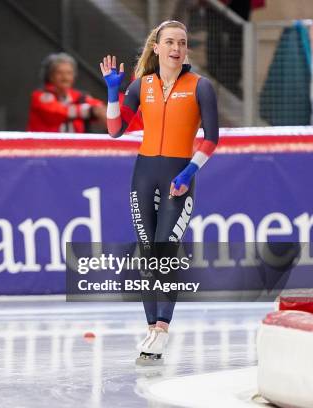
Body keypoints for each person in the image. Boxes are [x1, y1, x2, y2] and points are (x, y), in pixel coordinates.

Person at [100, 20, 219, 365]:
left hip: (178, 176)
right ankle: (151, 328)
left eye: (182, 43)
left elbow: (211, 138)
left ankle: (162, 330)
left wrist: (189, 171)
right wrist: (113, 92)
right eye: (170, 42)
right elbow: (115, 129)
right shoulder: (142, 85)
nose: (177, 48)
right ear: (156, 47)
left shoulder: (201, 86)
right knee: (148, 251)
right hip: (144, 174)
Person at [27, 52, 107, 133]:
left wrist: (101, 111)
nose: (65, 78)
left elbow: (98, 107)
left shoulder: (79, 96)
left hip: (76, 144)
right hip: (44, 144)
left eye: (69, 73)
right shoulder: (40, 96)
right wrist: (89, 111)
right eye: (59, 73)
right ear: (50, 76)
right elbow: (57, 112)